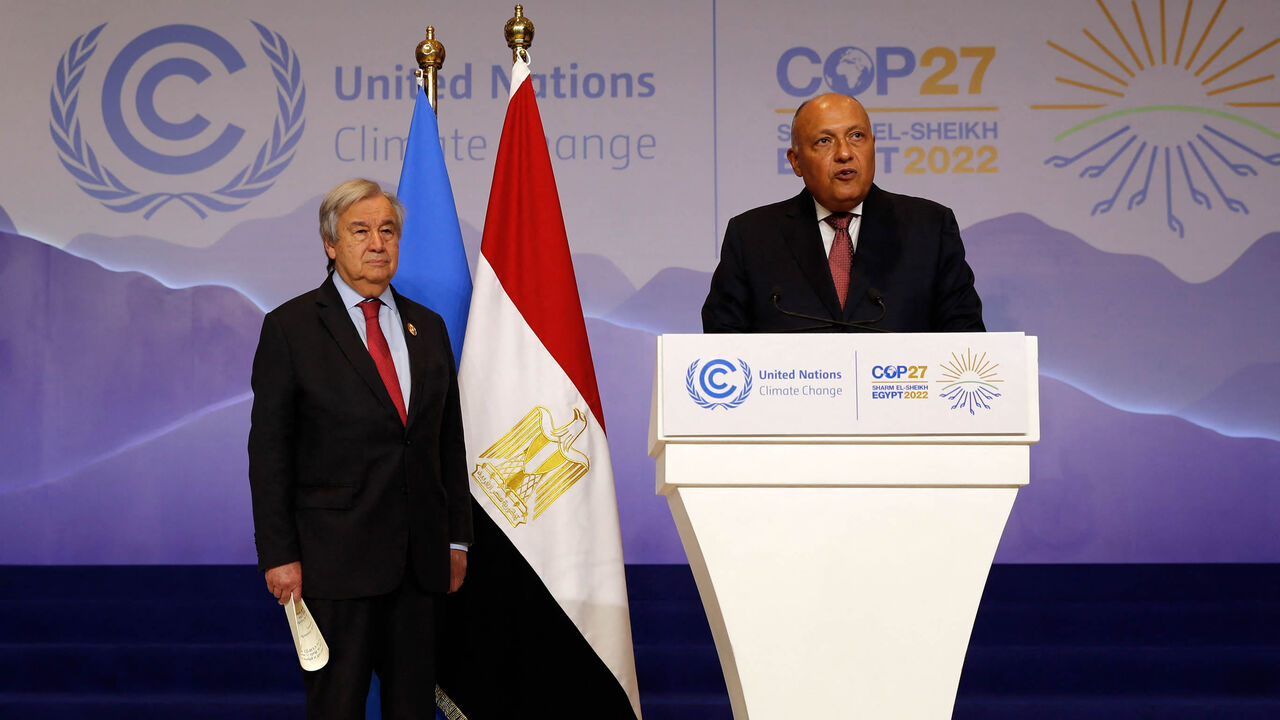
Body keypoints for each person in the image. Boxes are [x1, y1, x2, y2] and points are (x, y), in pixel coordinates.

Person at [248, 178, 472, 719]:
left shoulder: (430, 328)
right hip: (332, 565)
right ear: (331, 244)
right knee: (337, 709)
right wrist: (280, 554)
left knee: (413, 709)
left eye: (388, 231)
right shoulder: (291, 328)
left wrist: (458, 541)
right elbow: (270, 454)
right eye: (361, 231)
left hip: (419, 565)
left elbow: (447, 441)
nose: (378, 243)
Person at [702, 93, 984, 333]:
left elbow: (968, 340)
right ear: (796, 161)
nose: (844, 153)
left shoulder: (929, 228)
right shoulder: (752, 237)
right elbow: (721, 343)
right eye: (825, 141)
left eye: (856, 136)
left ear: (873, 146)